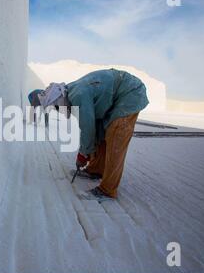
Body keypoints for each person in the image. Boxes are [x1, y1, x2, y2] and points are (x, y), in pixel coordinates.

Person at [37, 69, 149, 199]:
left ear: (59, 100)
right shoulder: (72, 90)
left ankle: (107, 190)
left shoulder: (78, 96)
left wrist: (83, 154)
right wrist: (88, 150)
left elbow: (87, 127)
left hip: (131, 93)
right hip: (116, 96)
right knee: (102, 133)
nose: (58, 111)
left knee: (116, 134)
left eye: (56, 108)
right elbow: (94, 125)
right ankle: (96, 170)